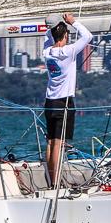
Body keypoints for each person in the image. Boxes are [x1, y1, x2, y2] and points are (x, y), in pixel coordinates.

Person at [42, 13, 93, 188]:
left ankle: (51, 181)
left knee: (50, 142)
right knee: (58, 143)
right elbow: (88, 36)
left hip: (50, 101)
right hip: (64, 102)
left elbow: (48, 36)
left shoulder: (47, 52)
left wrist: (55, 25)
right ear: (65, 35)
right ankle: (56, 183)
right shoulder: (68, 52)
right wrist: (73, 22)